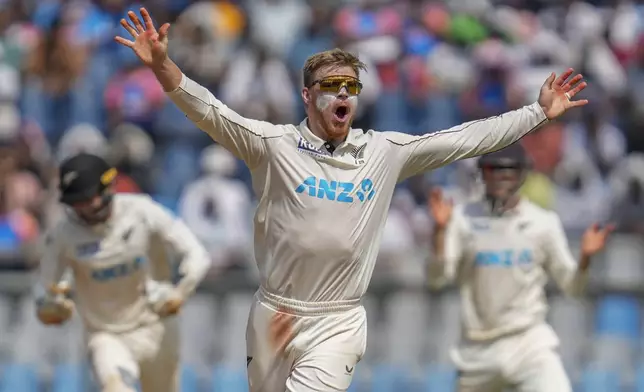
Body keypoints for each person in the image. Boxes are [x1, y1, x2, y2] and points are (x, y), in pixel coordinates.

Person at [115, 8, 589, 392]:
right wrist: (161, 65)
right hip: (274, 312)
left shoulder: (383, 153)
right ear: (306, 95)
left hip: (339, 318)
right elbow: (211, 112)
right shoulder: (273, 145)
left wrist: (536, 113)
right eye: (332, 87)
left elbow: (464, 139)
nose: (344, 95)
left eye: (352, 87)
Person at [426, 143, 613, 392]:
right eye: (494, 169)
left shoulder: (543, 223)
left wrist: (586, 259)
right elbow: (437, 279)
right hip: (478, 350)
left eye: (510, 170)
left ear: (522, 174)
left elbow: (573, 287)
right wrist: (439, 231)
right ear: (483, 174)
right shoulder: (462, 218)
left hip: (528, 343)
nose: (502, 178)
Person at [35, 153, 211, 392]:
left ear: (108, 187)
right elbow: (45, 288)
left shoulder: (142, 212)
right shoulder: (64, 235)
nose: (84, 207)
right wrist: (49, 306)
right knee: (116, 388)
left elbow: (197, 255)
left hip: (157, 328)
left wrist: (180, 292)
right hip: (106, 335)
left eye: (88, 198)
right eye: (76, 202)